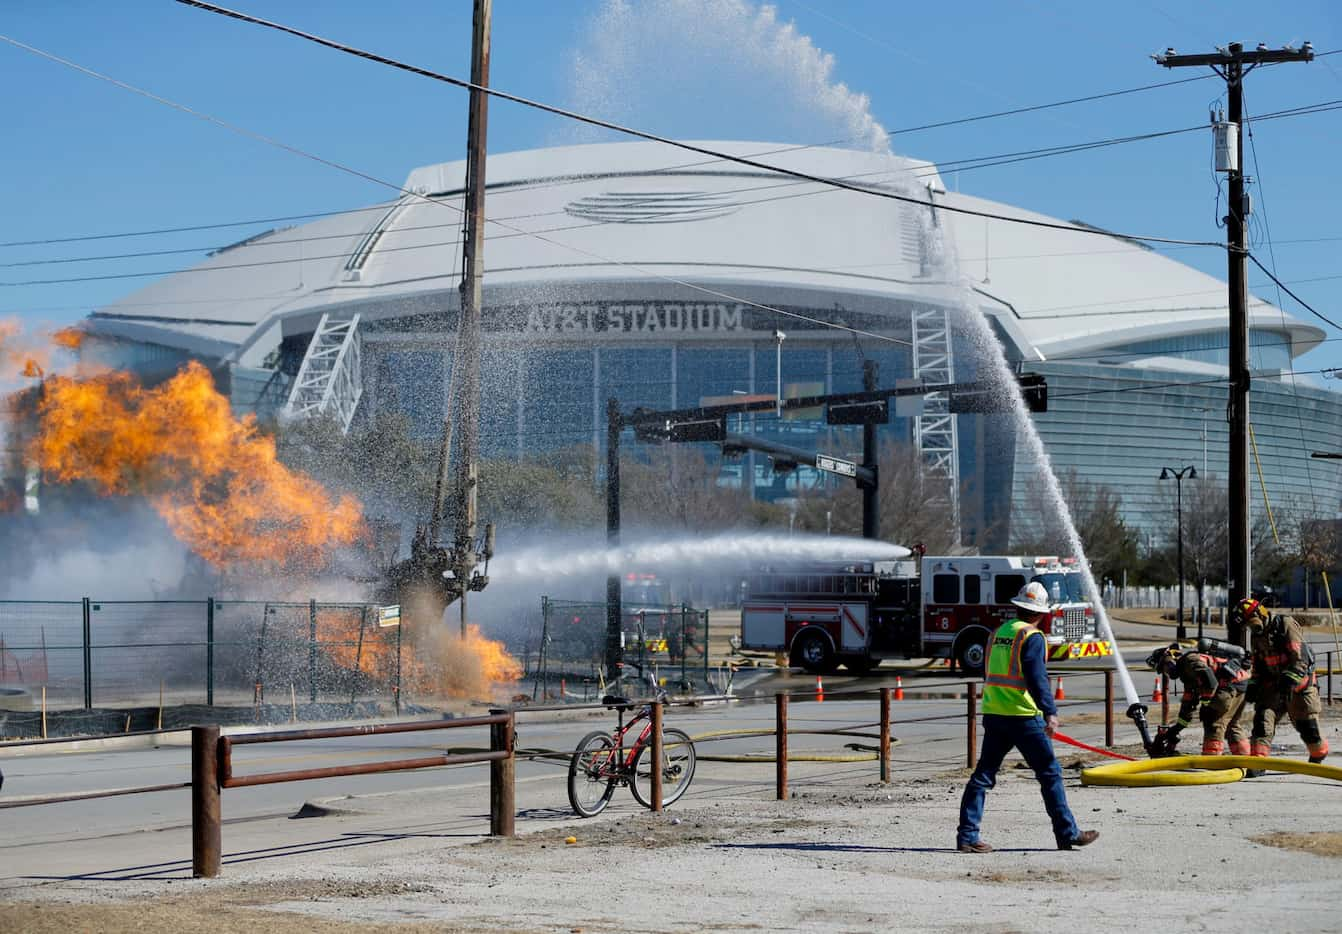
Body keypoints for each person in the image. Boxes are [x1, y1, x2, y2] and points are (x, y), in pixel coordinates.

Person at [956, 581, 1099, 853]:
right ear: (1040, 613)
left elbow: (989, 674)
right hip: (1023, 715)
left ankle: (967, 836)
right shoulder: (1031, 637)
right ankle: (1067, 833)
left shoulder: (997, 633)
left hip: (995, 713)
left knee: (983, 776)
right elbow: (1037, 678)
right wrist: (1050, 712)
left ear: (1018, 606)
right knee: (1050, 773)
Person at [1239, 598, 1329, 776]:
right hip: (1273, 684)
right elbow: (1258, 663)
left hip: (1299, 683)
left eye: (1251, 621)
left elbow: (1300, 657)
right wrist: (1253, 684)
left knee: (1306, 726)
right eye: (1247, 624)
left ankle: (1318, 754)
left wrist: (1290, 679)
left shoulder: (1285, 624)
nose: (1251, 627)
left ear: (1260, 613)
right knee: (1263, 719)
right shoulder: (1257, 636)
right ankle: (1258, 760)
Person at [1145, 642, 1250, 756]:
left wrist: (1206, 702)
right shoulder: (1187, 675)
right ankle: (1245, 760)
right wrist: (1175, 729)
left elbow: (1210, 680)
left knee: (1213, 721)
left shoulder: (1189, 660)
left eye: (1165, 667)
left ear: (1170, 659)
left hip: (1229, 686)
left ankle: (1211, 760)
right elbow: (1189, 703)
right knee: (1231, 724)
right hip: (1240, 684)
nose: (1167, 672)